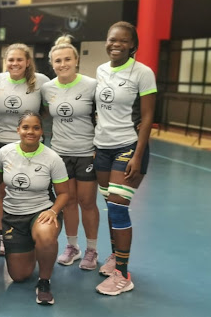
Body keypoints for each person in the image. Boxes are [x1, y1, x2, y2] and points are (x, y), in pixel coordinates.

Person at [93, 21, 156, 296]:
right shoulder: (101, 70)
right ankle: (115, 256)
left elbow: (148, 117)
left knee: (118, 207)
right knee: (110, 204)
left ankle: (122, 273)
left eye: (122, 41)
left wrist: (137, 156)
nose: (115, 44)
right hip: (102, 148)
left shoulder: (143, 73)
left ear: (132, 45)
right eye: (111, 39)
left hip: (128, 147)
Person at [0, 111, 69, 305]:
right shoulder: (4, 153)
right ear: (18, 130)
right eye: (26, 127)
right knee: (19, 275)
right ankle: (34, 247)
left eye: (36, 127)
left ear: (42, 131)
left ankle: (44, 281)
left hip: (40, 211)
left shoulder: (52, 158)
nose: (30, 132)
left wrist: (53, 211)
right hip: (13, 216)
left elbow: (64, 194)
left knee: (45, 235)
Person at [40, 36, 100, 270]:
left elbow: (101, 116)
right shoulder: (47, 89)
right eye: (58, 61)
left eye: (67, 59)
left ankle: (92, 250)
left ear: (76, 61)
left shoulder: (91, 85)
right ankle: (72, 246)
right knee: (68, 202)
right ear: (52, 64)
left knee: (87, 202)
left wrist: (98, 147)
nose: (62, 64)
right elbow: (45, 113)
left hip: (86, 152)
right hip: (60, 154)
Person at [0, 43, 50, 156]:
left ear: (27, 62)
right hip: (1, 142)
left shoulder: (42, 81)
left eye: (19, 60)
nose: (15, 63)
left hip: (31, 143)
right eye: (11, 60)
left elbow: (46, 110)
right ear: (5, 62)